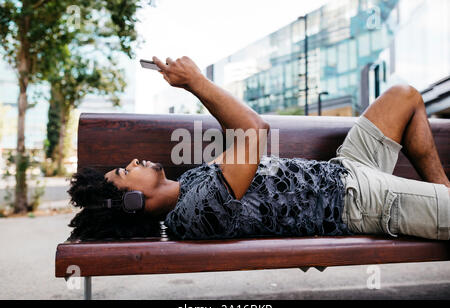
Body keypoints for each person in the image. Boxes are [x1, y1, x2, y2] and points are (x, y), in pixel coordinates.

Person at [67, 56, 450, 242]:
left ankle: (440, 193)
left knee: (404, 95)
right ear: (133, 201)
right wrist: (195, 82)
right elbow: (253, 130)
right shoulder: (196, 213)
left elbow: (239, 135)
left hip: (346, 168)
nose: (131, 162)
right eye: (123, 171)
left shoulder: (192, 183)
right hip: (358, 200)